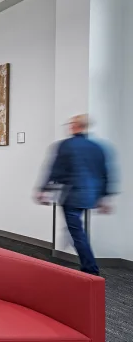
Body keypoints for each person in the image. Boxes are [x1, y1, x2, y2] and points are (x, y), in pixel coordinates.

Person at [35, 114, 113, 276]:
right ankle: (69, 237)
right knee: (76, 228)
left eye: (71, 124)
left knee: (77, 233)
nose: (69, 126)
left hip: (72, 196)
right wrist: (105, 197)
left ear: (76, 126)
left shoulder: (66, 145)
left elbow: (55, 169)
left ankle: (90, 269)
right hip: (91, 195)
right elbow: (105, 174)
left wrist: (44, 189)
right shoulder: (97, 147)